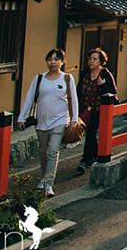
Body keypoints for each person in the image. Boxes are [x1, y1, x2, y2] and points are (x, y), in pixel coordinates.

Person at [17, 49, 78, 197]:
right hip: (42, 121)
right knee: (43, 152)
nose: (52, 62)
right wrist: (21, 117)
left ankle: (49, 184)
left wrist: (74, 119)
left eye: (56, 59)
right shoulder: (39, 78)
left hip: (60, 120)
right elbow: (29, 98)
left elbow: (74, 100)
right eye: (49, 59)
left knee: (52, 151)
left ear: (62, 62)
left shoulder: (67, 79)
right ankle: (43, 178)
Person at [76, 47, 117, 176]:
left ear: (101, 62)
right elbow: (78, 91)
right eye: (90, 58)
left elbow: (113, 93)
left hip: (99, 110)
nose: (91, 61)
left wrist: (102, 85)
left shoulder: (105, 74)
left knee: (91, 132)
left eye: (95, 59)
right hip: (85, 109)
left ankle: (85, 159)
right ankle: (93, 156)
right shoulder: (84, 73)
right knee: (90, 133)